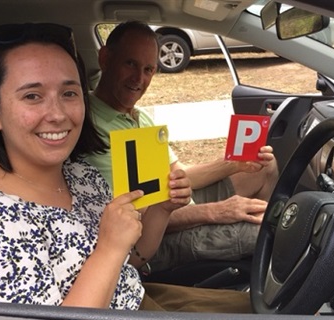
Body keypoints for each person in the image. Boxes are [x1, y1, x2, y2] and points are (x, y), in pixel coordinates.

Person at [0, 22, 253, 313]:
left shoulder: (80, 175)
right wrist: (108, 249)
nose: (58, 113)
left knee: (259, 305)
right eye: (32, 96)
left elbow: (131, 259)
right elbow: (111, 256)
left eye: (69, 93)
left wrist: (161, 209)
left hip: (142, 296)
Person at [86, 21, 279, 272]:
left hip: (178, 207)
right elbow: (143, 216)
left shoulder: (138, 117)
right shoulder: (91, 127)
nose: (139, 79)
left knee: (265, 168)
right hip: (153, 238)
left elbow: (177, 177)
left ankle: (252, 263)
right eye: (130, 64)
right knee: (269, 234)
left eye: (148, 69)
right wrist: (216, 212)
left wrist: (233, 164)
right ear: (105, 59)